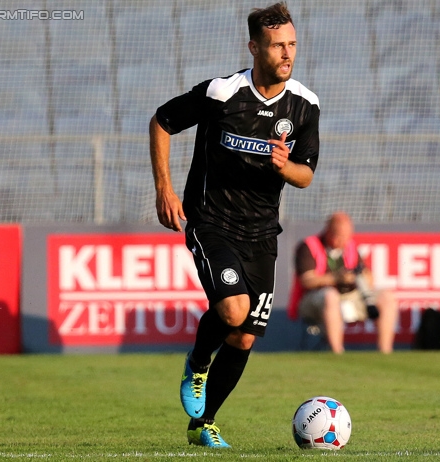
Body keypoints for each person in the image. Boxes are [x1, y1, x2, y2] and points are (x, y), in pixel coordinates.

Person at [149, 3, 319, 449]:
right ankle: (198, 361)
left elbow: (307, 174)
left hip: (263, 234)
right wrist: (164, 190)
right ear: (255, 47)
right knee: (232, 311)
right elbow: (162, 122)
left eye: (292, 44)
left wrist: (286, 167)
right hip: (211, 221)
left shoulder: (304, 104)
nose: (288, 53)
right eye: (279, 45)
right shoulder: (222, 93)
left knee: (243, 337)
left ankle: (203, 425)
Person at [287, 211, 398, 354]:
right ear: (329, 232)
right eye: (339, 236)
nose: (344, 240)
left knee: (387, 297)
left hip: (349, 297)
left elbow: (369, 277)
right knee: (330, 296)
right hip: (314, 300)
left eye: (347, 236)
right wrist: (336, 278)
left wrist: (361, 278)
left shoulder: (350, 246)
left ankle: (385, 352)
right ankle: (337, 352)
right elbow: (307, 280)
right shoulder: (308, 245)